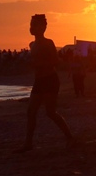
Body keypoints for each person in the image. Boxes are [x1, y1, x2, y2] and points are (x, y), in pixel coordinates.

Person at [16, 14, 74, 152]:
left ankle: (70, 137)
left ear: (43, 27)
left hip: (50, 79)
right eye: (31, 24)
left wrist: (38, 64)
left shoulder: (48, 43)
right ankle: (28, 144)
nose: (32, 27)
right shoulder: (32, 45)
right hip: (39, 81)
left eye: (35, 24)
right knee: (31, 111)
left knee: (50, 112)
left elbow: (56, 62)